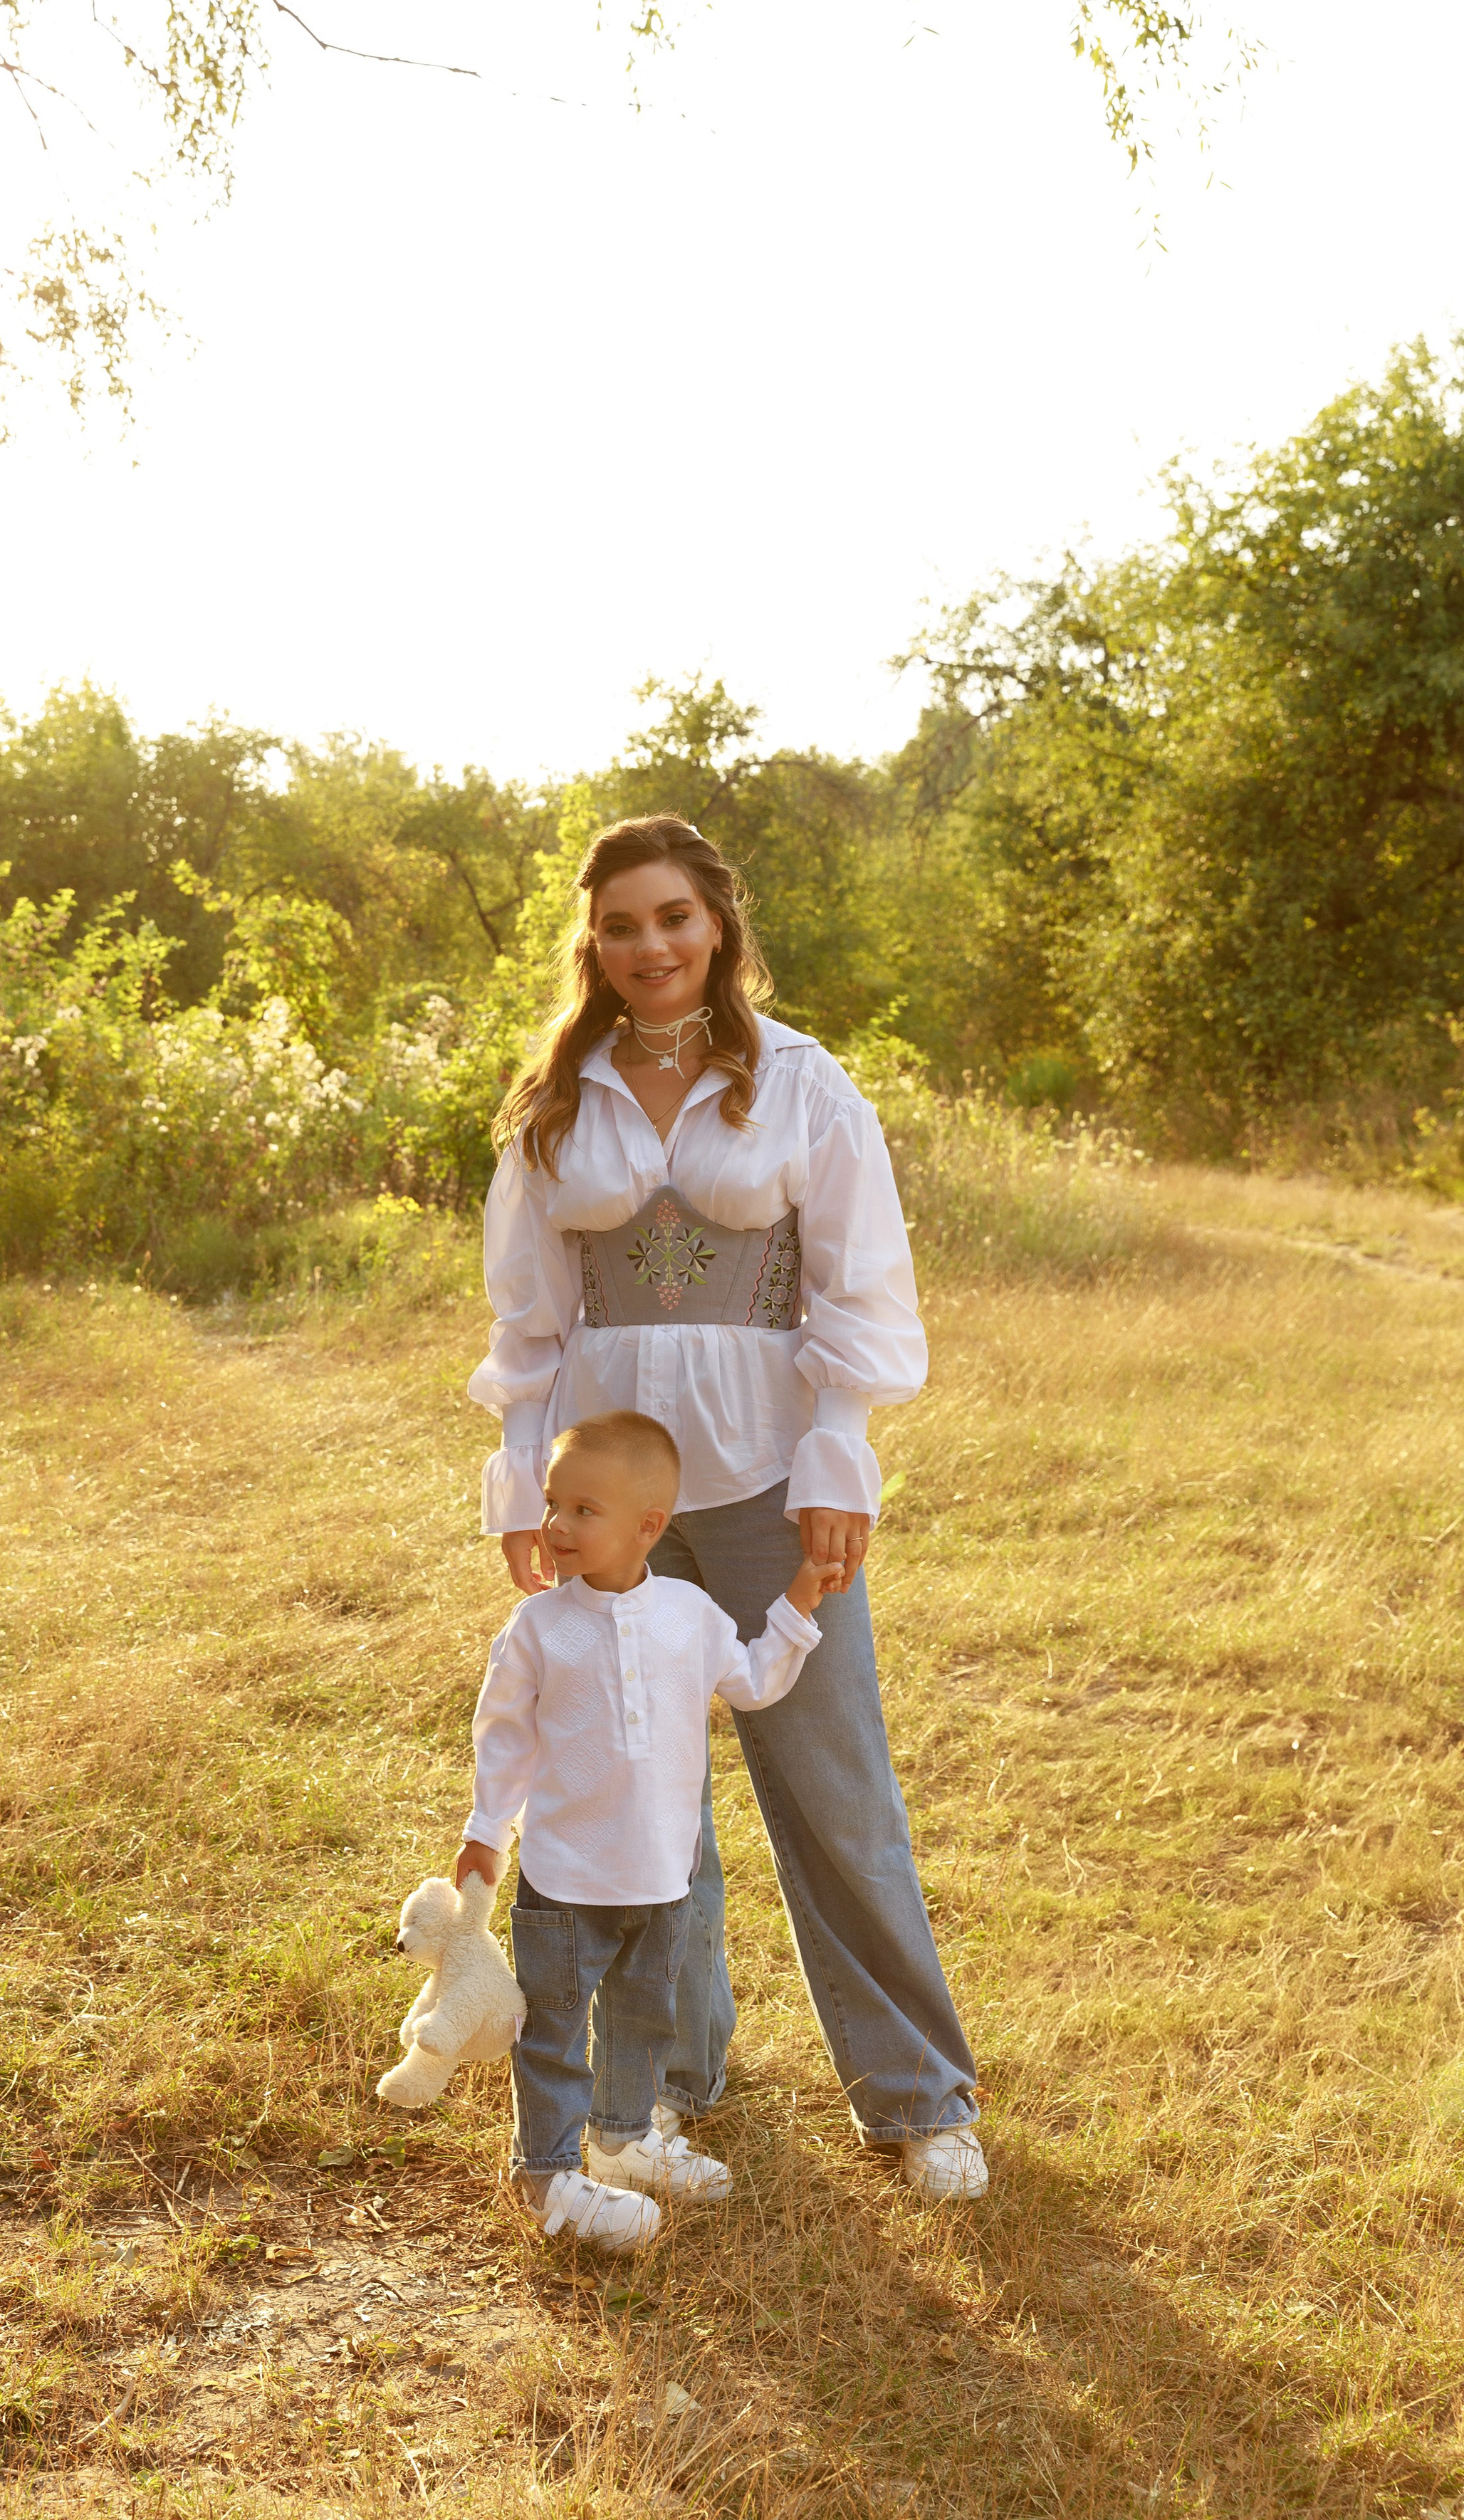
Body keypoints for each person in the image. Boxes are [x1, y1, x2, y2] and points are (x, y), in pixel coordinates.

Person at [470, 814, 987, 2203]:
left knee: (835, 1789)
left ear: (718, 926)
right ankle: (658, 2088)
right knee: (640, 1799)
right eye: (620, 926)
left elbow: (858, 1291)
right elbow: (530, 1324)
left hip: (764, 1483)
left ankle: (916, 2095)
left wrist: (836, 1460)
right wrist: (524, 1484)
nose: (649, 946)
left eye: (673, 918)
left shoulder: (802, 1085)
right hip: (615, 1509)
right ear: (593, 945)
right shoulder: (555, 1103)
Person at [454, 1409, 840, 2246]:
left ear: (648, 1527)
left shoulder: (689, 1614)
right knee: (553, 2030)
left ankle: (622, 2140)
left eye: (583, 1511)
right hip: (562, 1879)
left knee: (641, 2019)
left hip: (661, 1876)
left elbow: (753, 1683)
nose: (557, 1526)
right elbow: (505, 1736)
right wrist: (487, 1829)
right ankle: (545, 2178)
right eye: (553, 1504)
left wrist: (798, 1603)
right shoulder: (539, 1628)